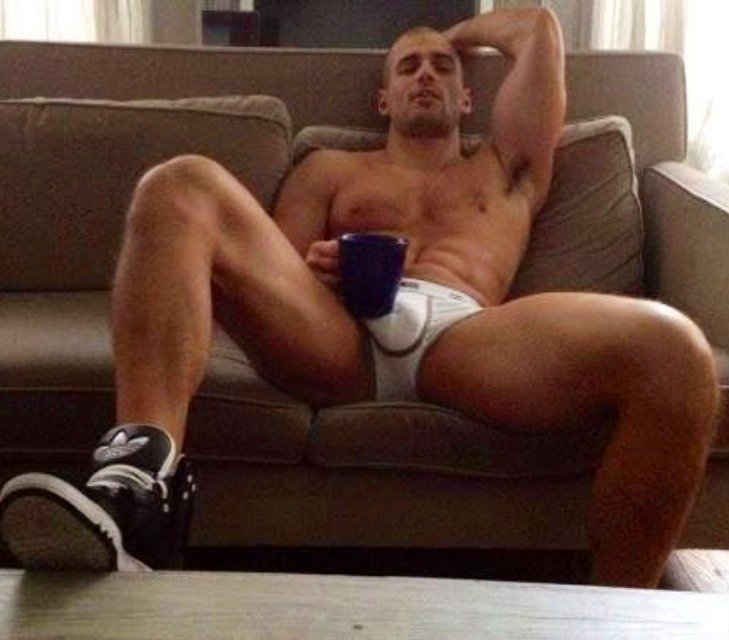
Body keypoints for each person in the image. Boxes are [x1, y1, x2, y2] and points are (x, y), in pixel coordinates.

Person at [0, 7, 719, 587]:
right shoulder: (329, 167)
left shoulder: (505, 169)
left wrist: (447, 36)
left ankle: (619, 612)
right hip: (336, 338)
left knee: (676, 350)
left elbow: (535, 27)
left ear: (470, 97)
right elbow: (270, 274)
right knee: (178, 184)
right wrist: (323, 273)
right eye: (407, 67)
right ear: (383, 98)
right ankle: (137, 486)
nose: (426, 73)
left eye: (443, 68)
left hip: (462, 340)